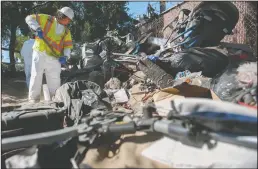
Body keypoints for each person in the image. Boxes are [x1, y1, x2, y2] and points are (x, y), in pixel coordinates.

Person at [25, 7, 74, 103]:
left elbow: (68, 46)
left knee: (55, 78)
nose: (68, 22)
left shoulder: (67, 31)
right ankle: (33, 100)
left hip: (55, 57)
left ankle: (56, 100)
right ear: (62, 16)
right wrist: (37, 28)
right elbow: (29, 18)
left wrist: (65, 56)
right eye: (68, 19)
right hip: (40, 51)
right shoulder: (47, 19)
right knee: (36, 75)